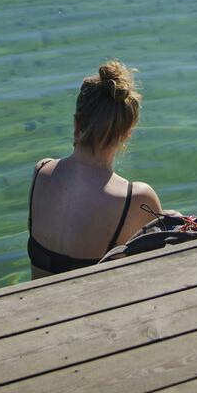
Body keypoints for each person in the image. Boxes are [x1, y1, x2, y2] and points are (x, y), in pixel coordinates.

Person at [27, 61, 164, 277]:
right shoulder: (136, 199)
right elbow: (159, 270)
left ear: (76, 123)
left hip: (35, 308)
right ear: (127, 133)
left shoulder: (41, 173)